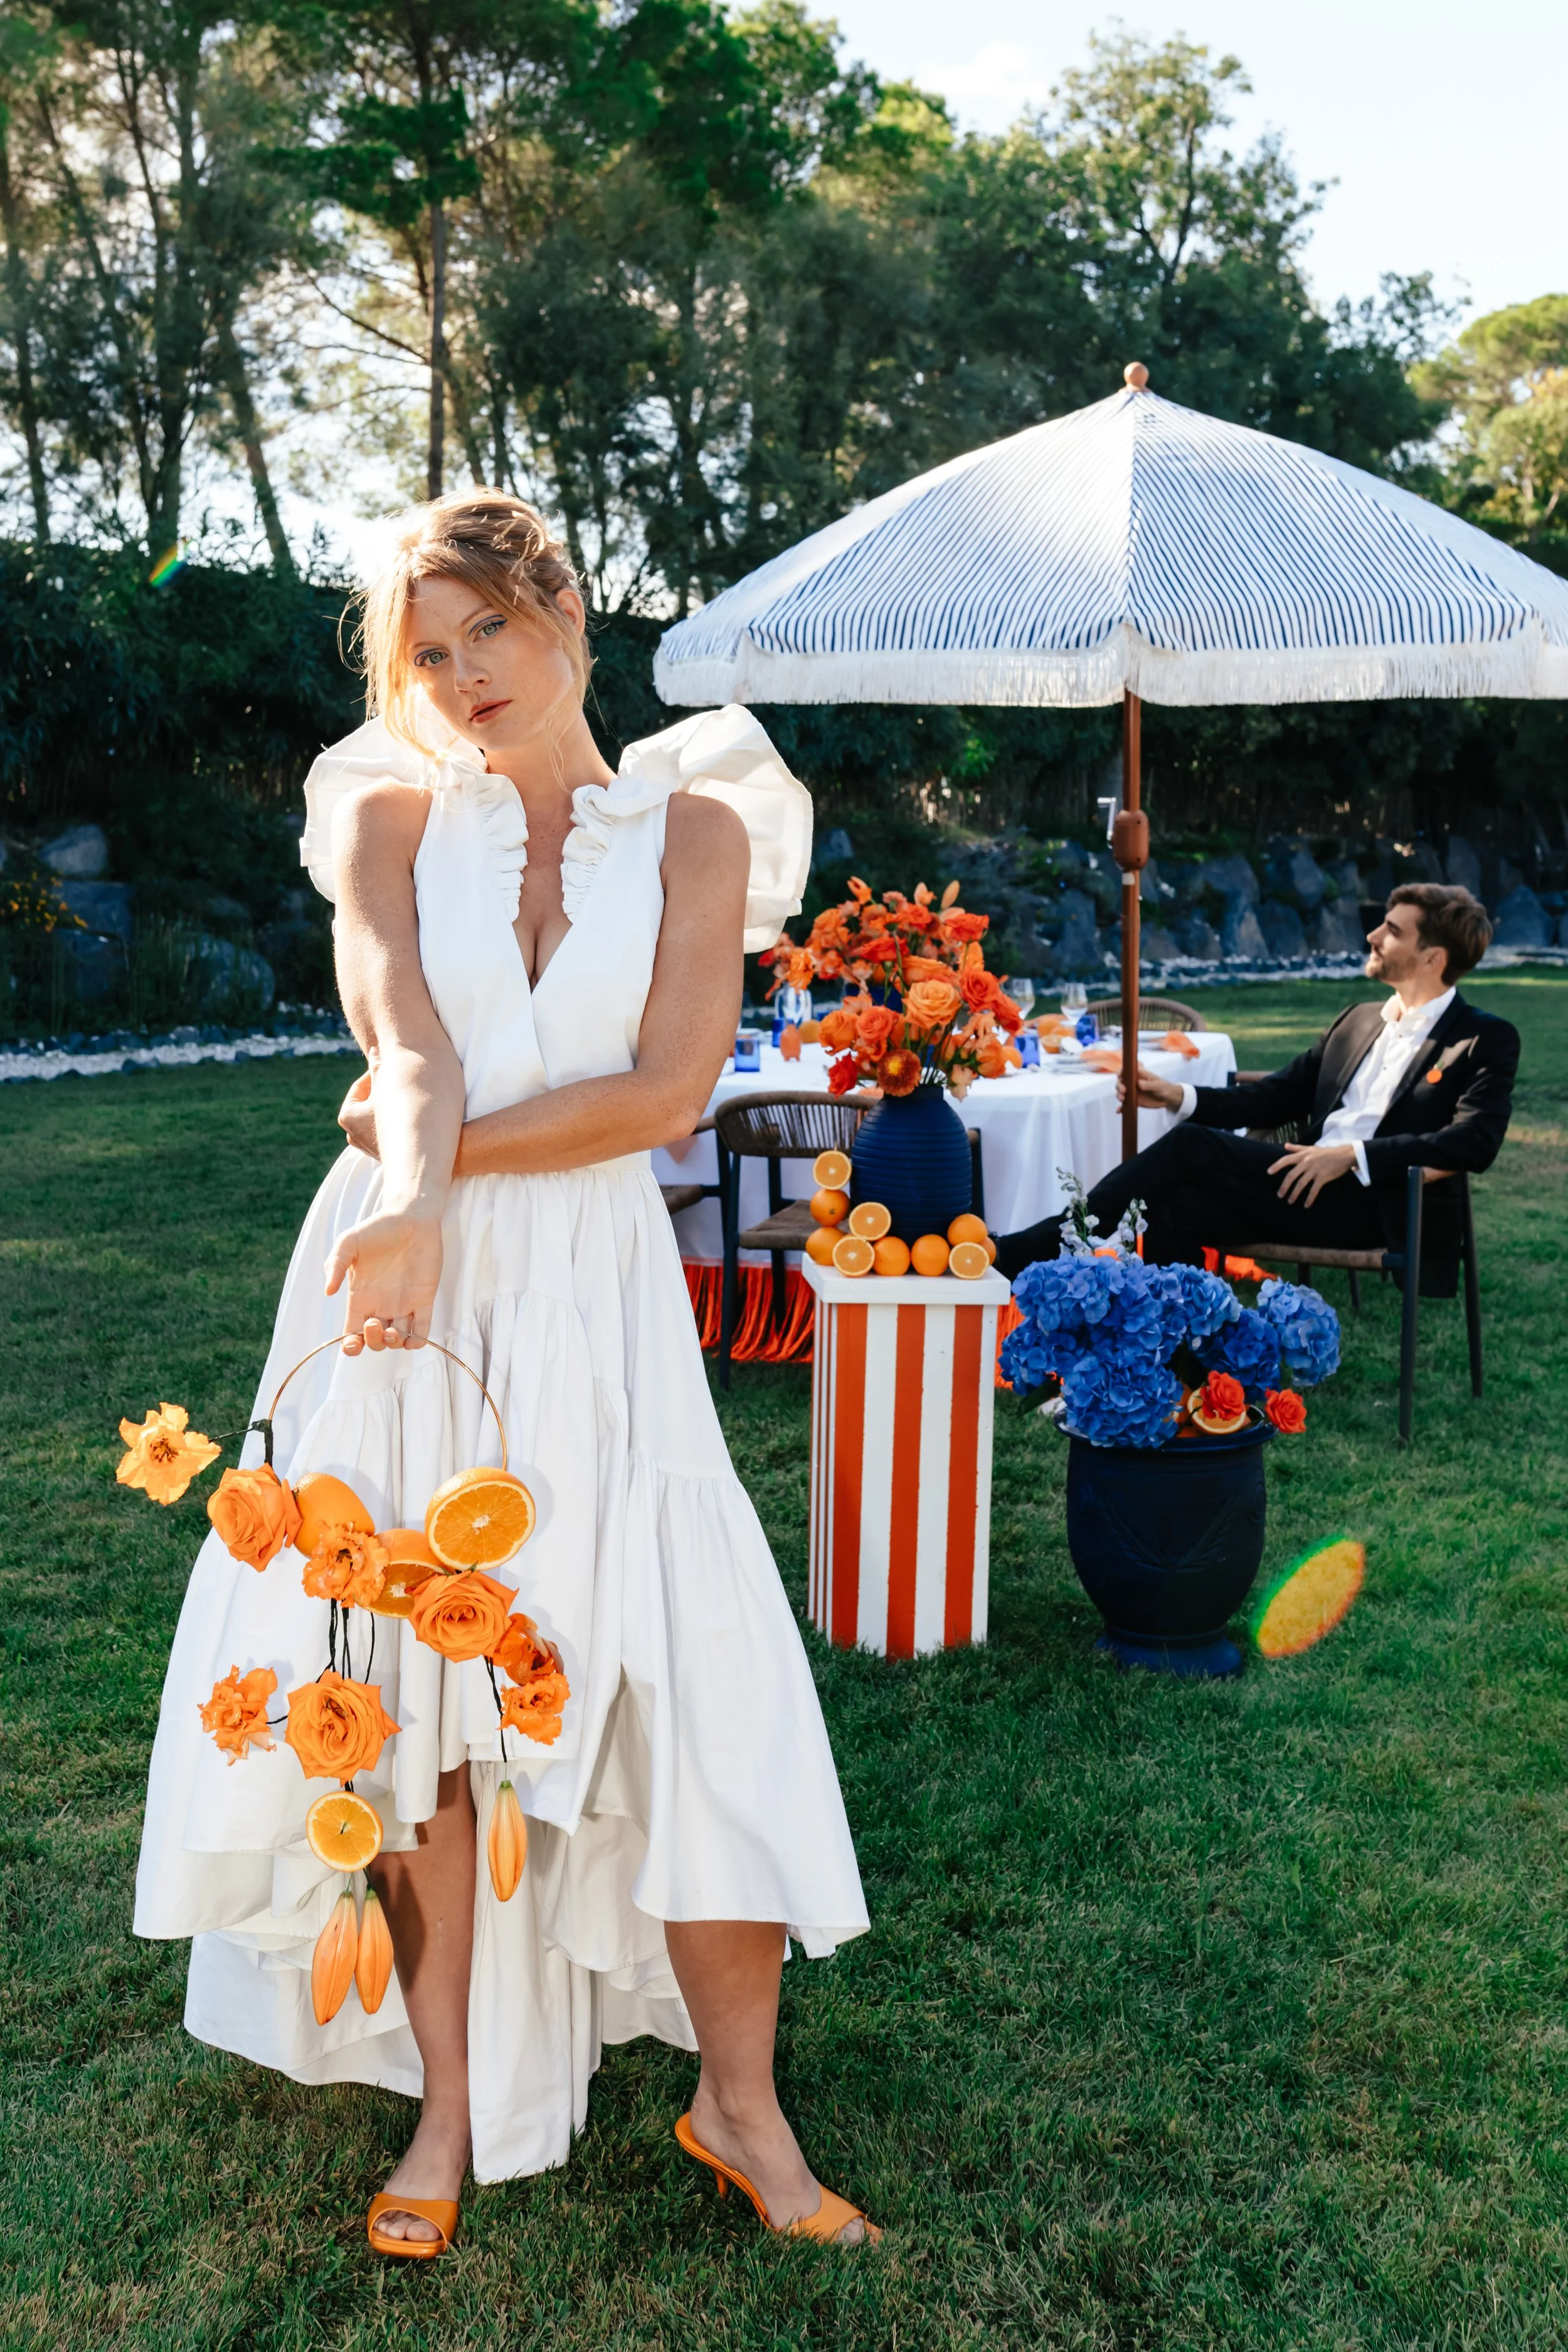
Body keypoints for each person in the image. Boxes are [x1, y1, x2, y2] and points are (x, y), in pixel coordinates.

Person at [134, 493, 876, 2252]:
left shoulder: (701, 830)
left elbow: (663, 1093)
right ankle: (449, 2099)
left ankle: (738, 2100)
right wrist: (404, 1199)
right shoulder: (386, 819)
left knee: (686, 1685)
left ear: (561, 609)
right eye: (427, 651)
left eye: (485, 629)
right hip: (417, 1283)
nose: (460, 676)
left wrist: (431, 1155)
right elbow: (399, 1041)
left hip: (596, 1288)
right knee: (415, 1686)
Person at [995, 884, 1518, 1291]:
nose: (1372, 937)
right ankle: (1180, 1360)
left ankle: (1040, 1245)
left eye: (1392, 930)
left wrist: (1352, 1156)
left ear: (1433, 959)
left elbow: (1475, 1141)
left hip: (1376, 1204)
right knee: (1172, 1211)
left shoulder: (1482, 1039)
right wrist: (1181, 1097)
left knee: (1190, 1144)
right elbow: (1277, 1095)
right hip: (1299, 1186)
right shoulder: (1359, 1020)